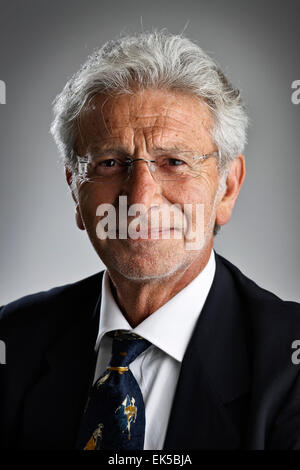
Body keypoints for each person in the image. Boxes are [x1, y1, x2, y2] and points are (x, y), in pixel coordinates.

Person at [1, 30, 300, 451]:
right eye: (110, 163)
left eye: (174, 162)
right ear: (75, 189)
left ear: (227, 187)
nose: (140, 199)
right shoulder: (11, 342)